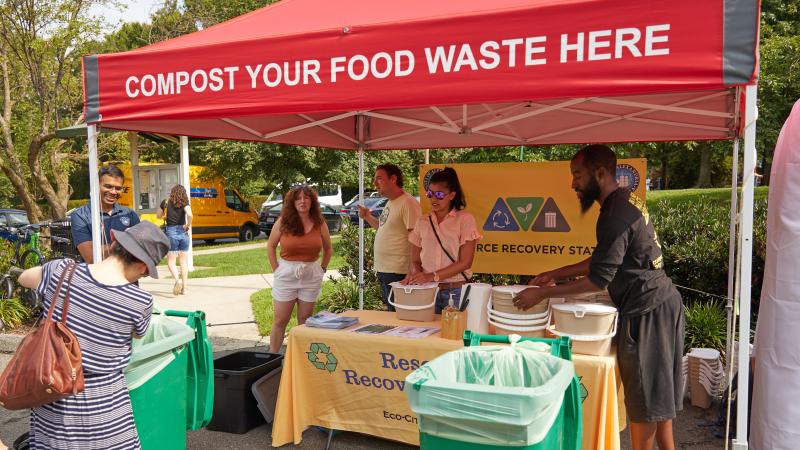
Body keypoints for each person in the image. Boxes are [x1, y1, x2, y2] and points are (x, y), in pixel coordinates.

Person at [512, 144, 684, 450]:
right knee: (659, 401)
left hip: (646, 311)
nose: (573, 183)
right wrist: (555, 272)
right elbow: (603, 259)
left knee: (644, 403)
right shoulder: (622, 204)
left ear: (600, 173)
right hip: (663, 305)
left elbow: (598, 279)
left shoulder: (614, 215)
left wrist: (543, 294)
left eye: (577, 175)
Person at [18, 221, 169, 450]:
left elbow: (24, 278)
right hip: (107, 414)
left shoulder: (61, 271)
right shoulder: (140, 302)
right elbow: (138, 335)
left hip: (54, 403)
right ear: (143, 268)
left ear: (114, 241)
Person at [404, 167, 481, 313]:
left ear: (452, 195)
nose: (434, 199)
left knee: (455, 334)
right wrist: (416, 275)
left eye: (439, 194)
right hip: (427, 292)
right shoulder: (422, 221)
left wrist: (431, 276)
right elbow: (415, 260)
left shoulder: (465, 219)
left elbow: (465, 262)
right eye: (430, 194)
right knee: (424, 333)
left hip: (456, 291)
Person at [267, 185, 333, 353]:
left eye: (306, 197)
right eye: (298, 198)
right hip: (287, 274)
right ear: (292, 202)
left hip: (311, 275)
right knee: (280, 320)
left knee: (304, 320)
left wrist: (322, 268)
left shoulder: (320, 223)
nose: (302, 201)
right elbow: (271, 246)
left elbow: (328, 249)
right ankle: (272, 358)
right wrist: (277, 270)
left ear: (312, 201)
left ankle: (300, 357)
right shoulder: (283, 222)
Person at [358, 163, 422, 311]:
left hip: (399, 272)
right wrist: (367, 216)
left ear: (393, 179)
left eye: (379, 179)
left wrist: (412, 270)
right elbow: (382, 229)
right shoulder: (390, 202)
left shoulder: (408, 202)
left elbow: (416, 238)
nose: (374, 183)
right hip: (385, 270)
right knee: (392, 315)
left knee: (399, 317)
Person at [71, 164, 140, 263]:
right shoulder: (80, 215)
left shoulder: (129, 214)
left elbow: (141, 252)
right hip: (96, 277)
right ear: (96, 186)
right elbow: (90, 257)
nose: (113, 192)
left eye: (118, 188)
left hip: (127, 277)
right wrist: (123, 243)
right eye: (108, 186)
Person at [157, 184, 194, 295]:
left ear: (172, 192)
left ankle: (177, 280)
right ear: (183, 194)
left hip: (171, 233)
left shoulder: (166, 202)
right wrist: (188, 225)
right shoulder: (184, 203)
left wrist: (164, 213)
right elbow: (190, 214)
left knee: (171, 261)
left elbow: (158, 216)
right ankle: (185, 288)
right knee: (183, 262)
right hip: (183, 233)